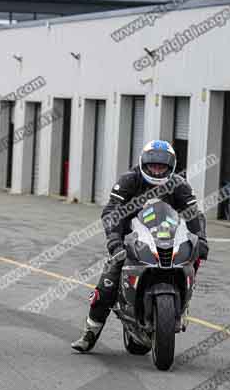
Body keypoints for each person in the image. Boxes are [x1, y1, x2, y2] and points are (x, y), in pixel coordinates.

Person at [71, 140, 209, 352]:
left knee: (194, 258)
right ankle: (90, 333)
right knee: (107, 285)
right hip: (131, 239)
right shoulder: (129, 180)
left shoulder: (179, 184)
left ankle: (183, 304)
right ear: (143, 164)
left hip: (168, 238)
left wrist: (201, 239)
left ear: (170, 167)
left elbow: (193, 214)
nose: (157, 170)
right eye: (153, 165)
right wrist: (115, 241)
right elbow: (112, 211)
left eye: (161, 166)